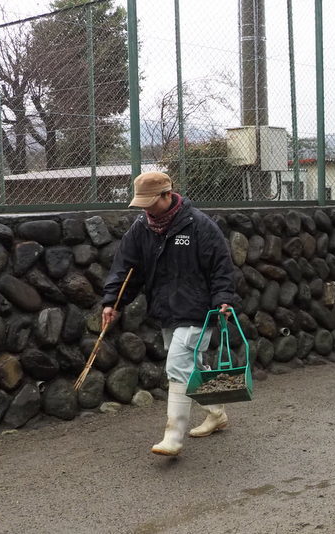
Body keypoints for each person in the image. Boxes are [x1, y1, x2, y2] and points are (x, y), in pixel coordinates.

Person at [102, 171, 239, 456]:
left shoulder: (199, 225)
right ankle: (216, 412)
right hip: (165, 309)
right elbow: (125, 268)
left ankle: (173, 436)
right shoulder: (141, 228)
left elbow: (221, 266)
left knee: (177, 365)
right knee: (191, 365)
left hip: (199, 309)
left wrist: (224, 299)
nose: (146, 208)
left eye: (150, 202)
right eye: (142, 203)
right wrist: (112, 302)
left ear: (168, 194)